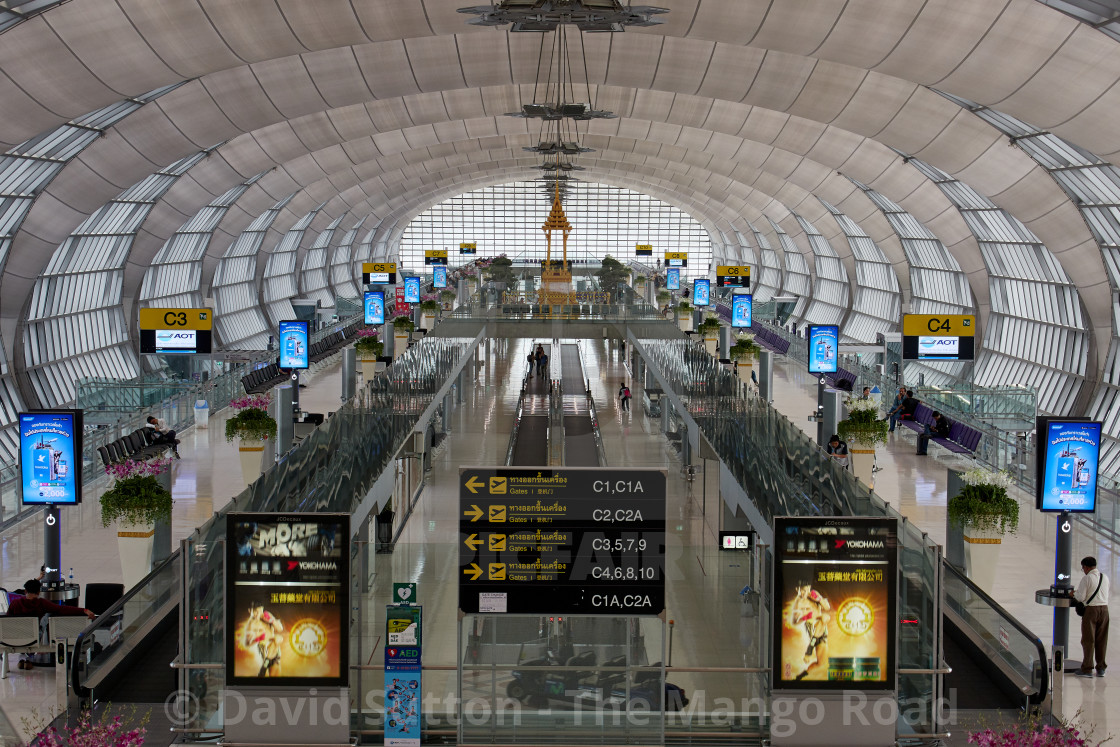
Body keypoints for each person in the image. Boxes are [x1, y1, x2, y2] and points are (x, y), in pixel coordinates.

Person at [6, 579, 95, 670]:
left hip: (14, 638)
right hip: (33, 638)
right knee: (46, 618)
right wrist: (83, 610)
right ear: (38, 591)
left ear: (25, 591)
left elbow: (7, 621)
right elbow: (61, 609)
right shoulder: (41, 603)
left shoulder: (15, 603)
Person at [1073, 557, 1109, 677]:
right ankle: (1101, 668)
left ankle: (1087, 669)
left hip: (1091, 610)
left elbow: (1080, 597)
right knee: (1102, 640)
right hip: (1104, 610)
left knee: (1088, 640)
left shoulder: (1087, 578)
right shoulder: (1105, 577)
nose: (1083, 570)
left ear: (1086, 567)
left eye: (1083, 568)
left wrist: (1073, 593)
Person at [788, 580, 831, 681]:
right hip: (811, 627)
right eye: (801, 591)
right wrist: (805, 616)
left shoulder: (814, 594)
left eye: (806, 590)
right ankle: (810, 649)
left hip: (821, 629)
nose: (803, 593)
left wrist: (819, 599)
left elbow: (827, 607)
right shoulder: (798, 602)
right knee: (825, 617)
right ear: (797, 589)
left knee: (821, 663)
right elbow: (794, 621)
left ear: (809, 588)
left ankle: (800, 677)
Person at [243, 600, 285, 677]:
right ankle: (265, 665)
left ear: (262, 609)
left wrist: (271, 621)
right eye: (255, 611)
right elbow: (247, 643)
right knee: (263, 680)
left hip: (274, 651)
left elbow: (280, 629)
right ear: (250, 611)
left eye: (259, 611)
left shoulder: (267, 615)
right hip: (263, 652)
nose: (257, 614)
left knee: (278, 638)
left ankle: (265, 664)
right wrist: (257, 638)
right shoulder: (251, 624)